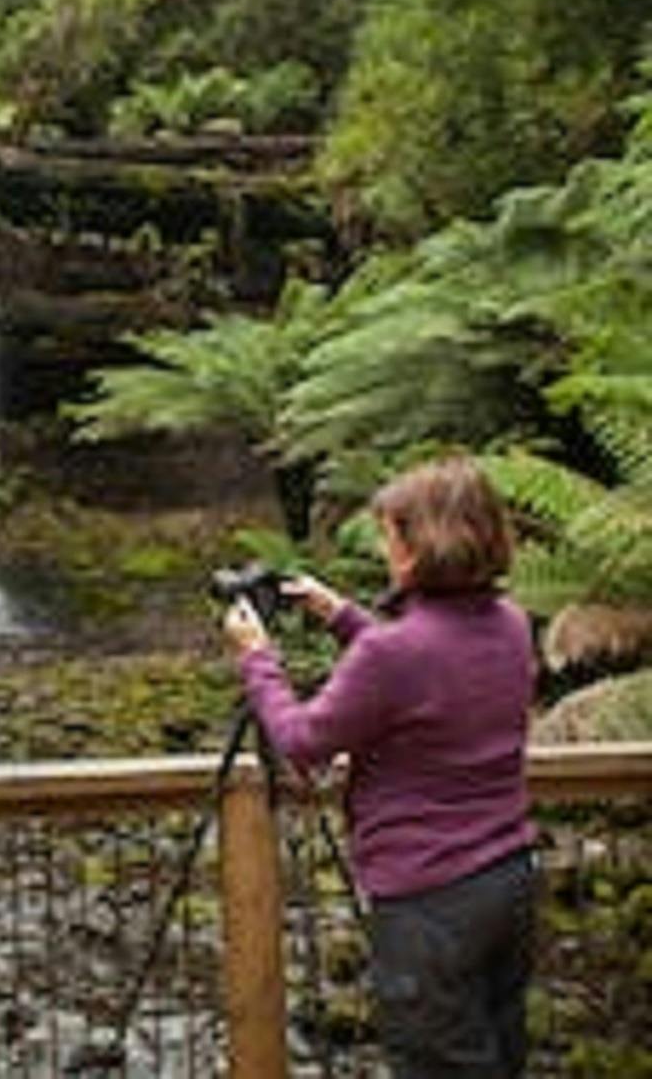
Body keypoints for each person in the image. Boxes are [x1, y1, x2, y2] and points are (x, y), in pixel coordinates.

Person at [222, 455, 539, 1077]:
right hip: (510, 879)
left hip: (429, 900)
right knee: (501, 1057)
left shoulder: (393, 652)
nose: (384, 547)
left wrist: (257, 659)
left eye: (392, 534)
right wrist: (339, 613)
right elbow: (434, 668)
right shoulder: (511, 624)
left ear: (423, 545)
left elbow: (303, 739)